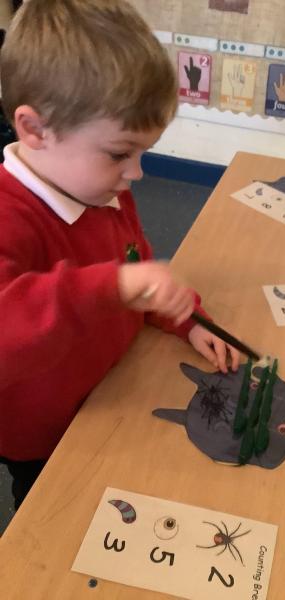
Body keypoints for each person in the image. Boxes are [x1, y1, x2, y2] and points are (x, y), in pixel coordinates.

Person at [0, 0, 240, 511]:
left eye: (142, 154)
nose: (137, 174)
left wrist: (186, 321)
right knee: (52, 522)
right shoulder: (8, 214)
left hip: (113, 393)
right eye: (119, 154)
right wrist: (113, 286)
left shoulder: (104, 190)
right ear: (35, 130)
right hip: (44, 437)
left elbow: (137, 275)